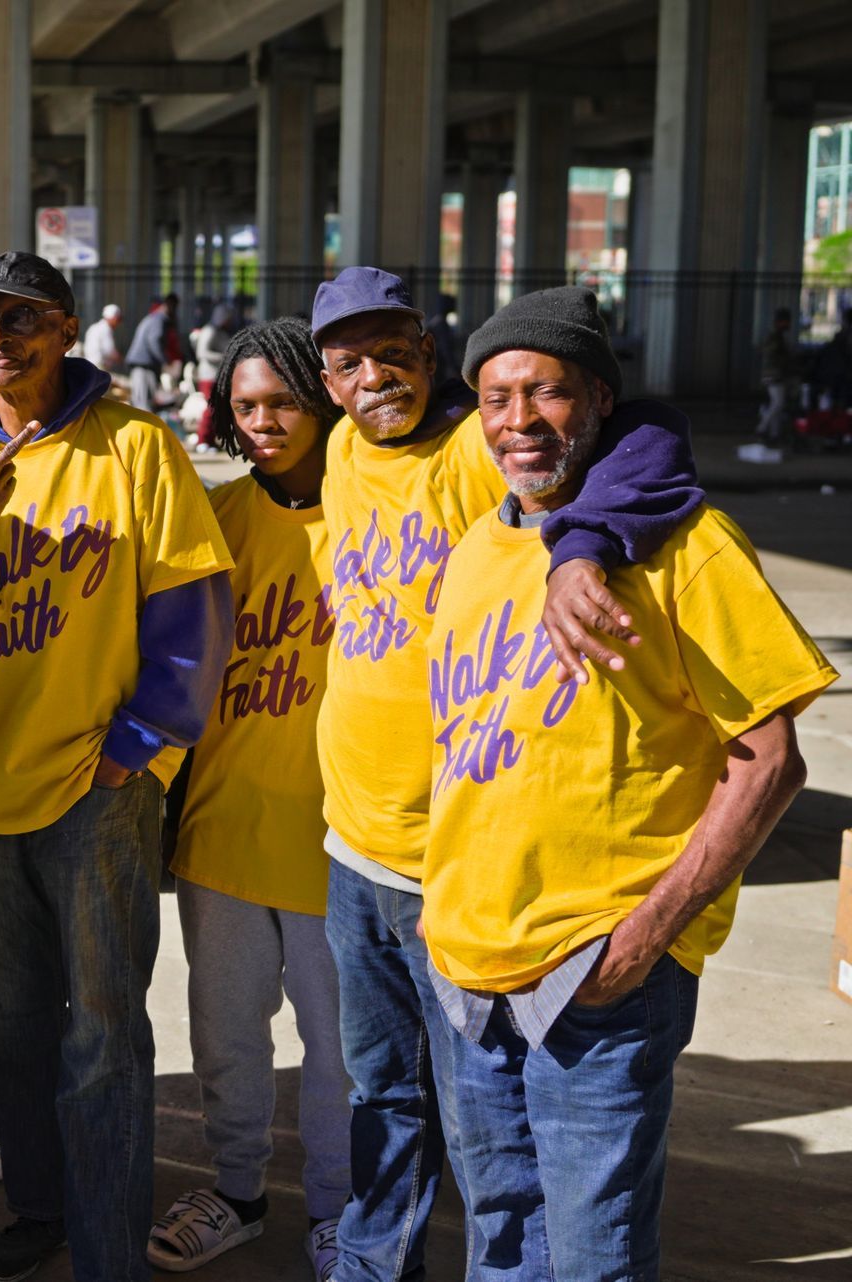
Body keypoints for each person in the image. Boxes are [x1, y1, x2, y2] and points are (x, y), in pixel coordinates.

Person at [424, 286, 837, 1278]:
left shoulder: (686, 549)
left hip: (592, 973)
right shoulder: (482, 548)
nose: (518, 420)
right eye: (495, 397)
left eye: (546, 392)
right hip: (467, 965)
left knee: (592, 1257)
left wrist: (648, 934)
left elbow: (770, 758)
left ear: (602, 401)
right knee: (499, 1236)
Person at [310, 267, 704, 1282]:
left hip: (451, 867)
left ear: (428, 350)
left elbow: (642, 437)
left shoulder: (478, 449)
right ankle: (373, 1262)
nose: (373, 376)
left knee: (502, 1144)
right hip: (354, 843)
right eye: (348, 361)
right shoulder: (346, 449)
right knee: (382, 1089)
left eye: (391, 350)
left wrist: (584, 545)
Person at [0, 251, 235, 1282]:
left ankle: (104, 1249)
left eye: (18, 318)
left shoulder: (134, 448)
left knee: (101, 1032)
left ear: (62, 326)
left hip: (97, 790)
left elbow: (192, 610)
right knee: (13, 1024)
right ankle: (40, 1210)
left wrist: (138, 748)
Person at [149, 319, 348, 1281]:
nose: (263, 421)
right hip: (222, 827)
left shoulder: (372, 511)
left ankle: (346, 1213)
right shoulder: (219, 517)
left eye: (281, 402)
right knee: (226, 1040)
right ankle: (234, 1189)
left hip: (339, 841)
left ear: (320, 396)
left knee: (338, 1055)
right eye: (244, 406)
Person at [191, 301, 239, 452]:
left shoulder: (222, 331)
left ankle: (210, 440)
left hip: (219, 375)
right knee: (210, 408)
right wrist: (224, 357)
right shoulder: (209, 330)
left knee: (217, 409)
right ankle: (202, 440)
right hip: (208, 376)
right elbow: (202, 353)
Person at [123, 292, 180, 413]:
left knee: (144, 401)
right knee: (143, 404)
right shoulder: (158, 320)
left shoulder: (155, 318)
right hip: (144, 366)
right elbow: (154, 341)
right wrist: (165, 362)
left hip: (144, 366)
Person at [756, 306, 801, 448]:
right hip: (773, 375)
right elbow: (772, 355)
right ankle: (762, 429)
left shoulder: (778, 337)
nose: (788, 325)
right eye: (786, 322)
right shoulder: (775, 337)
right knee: (778, 403)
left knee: (777, 405)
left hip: (775, 375)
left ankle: (774, 435)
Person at [82, 303, 123, 372]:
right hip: (99, 366)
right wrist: (121, 360)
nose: (118, 323)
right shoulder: (105, 329)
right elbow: (109, 351)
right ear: (114, 318)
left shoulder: (95, 327)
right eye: (118, 319)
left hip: (90, 364)